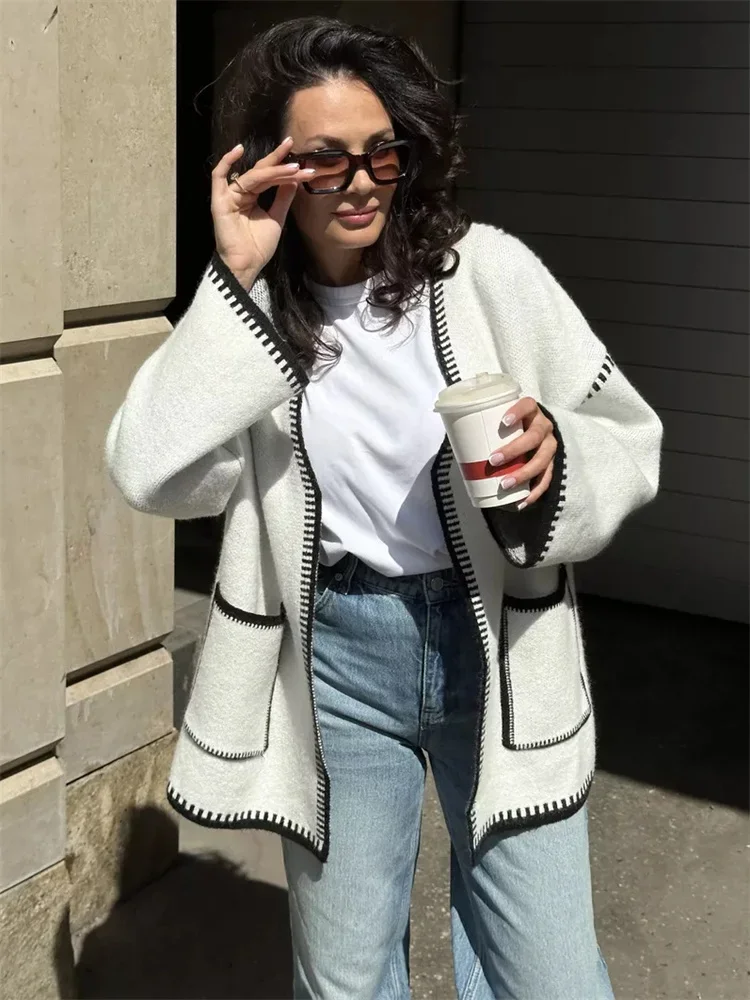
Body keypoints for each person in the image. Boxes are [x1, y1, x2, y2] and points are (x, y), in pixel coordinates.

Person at [105, 15, 662, 1000]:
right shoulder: (253, 325)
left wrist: (558, 458)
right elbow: (148, 469)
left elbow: (627, 433)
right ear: (271, 168)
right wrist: (230, 272)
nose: (359, 180)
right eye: (322, 159)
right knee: (347, 977)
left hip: (496, 646)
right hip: (338, 659)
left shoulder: (487, 274)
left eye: (380, 152)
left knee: (552, 977)